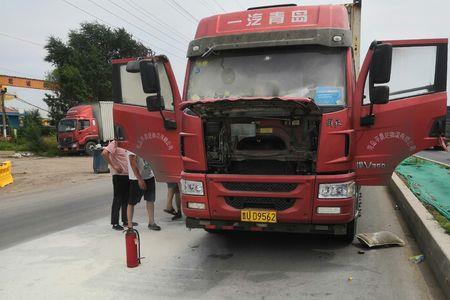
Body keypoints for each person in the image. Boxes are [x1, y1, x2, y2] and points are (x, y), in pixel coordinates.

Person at [102, 140, 135, 231]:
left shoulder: (127, 143)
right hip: (118, 176)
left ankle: (126, 220)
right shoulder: (115, 143)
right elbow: (104, 153)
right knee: (118, 199)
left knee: (127, 199)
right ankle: (115, 222)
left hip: (128, 175)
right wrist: (114, 166)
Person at [126, 151, 161, 231]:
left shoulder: (145, 144)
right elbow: (132, 163)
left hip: (149, 176)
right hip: (136, 179)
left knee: (150, 199)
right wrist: (139, 179)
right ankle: (130, 225)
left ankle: (151, 222)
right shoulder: (132, 147)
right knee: (131, 202)